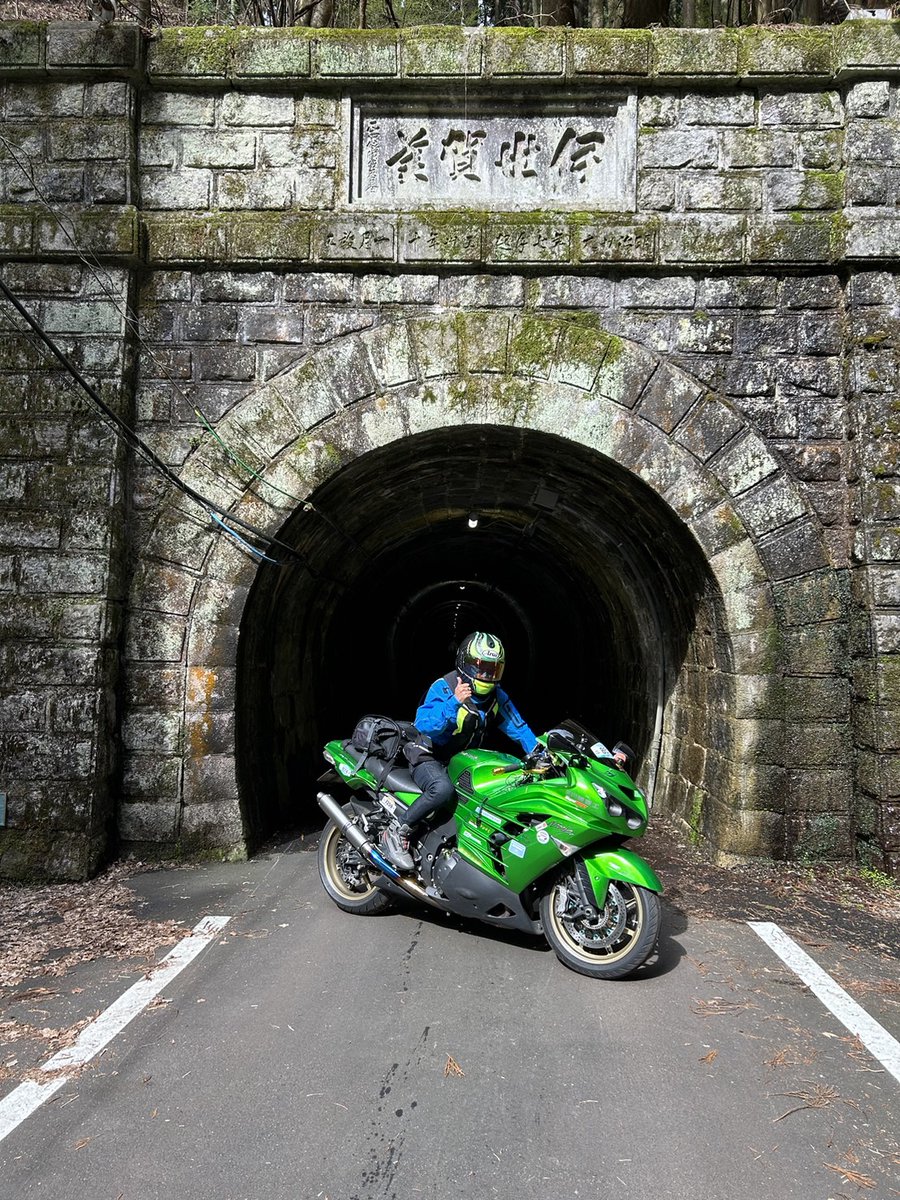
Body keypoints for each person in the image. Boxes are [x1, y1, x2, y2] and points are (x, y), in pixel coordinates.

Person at [380, 632, 538, 872]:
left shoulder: (497, 696)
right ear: (467, 663)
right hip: (427, 756)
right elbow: (423, 724)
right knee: (442, 789)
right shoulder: (445, 687)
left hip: (459, 760)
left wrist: (540, 752)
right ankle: (397, 830)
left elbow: (519, 728)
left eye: (493, 670)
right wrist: (454, 702)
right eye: (482, 668)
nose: (487, 675)